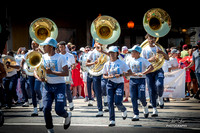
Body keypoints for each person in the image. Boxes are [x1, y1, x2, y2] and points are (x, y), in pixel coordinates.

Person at [35, 37, 71, 133]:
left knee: (59, 110)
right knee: (46, 109)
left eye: (45, 46)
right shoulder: (43, 57)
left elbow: (66, 73)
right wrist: (39, 78)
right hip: (47, 86)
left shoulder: (60, 57)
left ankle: (67, 115)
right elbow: (35, 70)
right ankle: (50, 128)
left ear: (51, 47)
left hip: (59, 86)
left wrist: (52, 72)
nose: (43, 47)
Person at [102, 46, 132, 127]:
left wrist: (121, 74)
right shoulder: (107, 63)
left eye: (113, 53)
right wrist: (108, 77)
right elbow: (104, 75)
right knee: (110, 102)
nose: (111, 54)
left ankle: (123, 109)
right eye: (110, 53)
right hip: (110, 84)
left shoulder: (121, 63)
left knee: (118, 102)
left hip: (119, 84)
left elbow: (130, 72)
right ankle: (112, 120)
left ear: (117, 54)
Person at [141, 34, 169, 116]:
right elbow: (142, 61)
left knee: (159, 85)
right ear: (147, 38)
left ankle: (160, 97)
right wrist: (150, 59)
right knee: (151, 90)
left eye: (154, 38)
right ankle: (154, 109)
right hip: (149, 71)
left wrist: (162, 52)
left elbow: (167, 58)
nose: (152, 39)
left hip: (158, 70)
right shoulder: (144, 49)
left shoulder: (159, 47)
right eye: (150, 38)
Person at [126, 45, 153, 121]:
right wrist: (130, 74)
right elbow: (125, 70)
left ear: (137, 52)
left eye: (133, 51)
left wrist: (144, 73)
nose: (131, 53)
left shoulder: (143, 60)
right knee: (133, 98)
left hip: (141, 80)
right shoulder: (130, 60)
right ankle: (136, 114)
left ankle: (144, 106)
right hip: (132, 80)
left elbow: (151, 67)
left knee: (141, 96)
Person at [21, 41, 43, 116]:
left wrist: (40, 50)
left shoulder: (40, 52)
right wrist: (22, 69)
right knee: (33, 91)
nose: (33, 45)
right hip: (30, 73)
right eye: (32, 44)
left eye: (34, 44)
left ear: (37, 44)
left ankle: (40, 100)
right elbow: (23, 61)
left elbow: (45, 57)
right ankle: (35, 110)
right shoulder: (28, 53)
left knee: (36, 89)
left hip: (38, 73)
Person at [86, 41, 105, 117]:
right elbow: (87, 64)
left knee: (104, 86)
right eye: (97, 42)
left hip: (104, 72)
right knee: (97, 91)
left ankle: (106, 101)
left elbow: (111, 56)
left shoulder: (105, 50)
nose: (99, 43)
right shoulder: (91, 52)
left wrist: (102, 51)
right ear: (94, 44)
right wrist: (93, 63)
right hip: (96, 73)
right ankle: (100, 110)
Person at [58, 41, 75, 111]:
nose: (61, 48)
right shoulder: (57, 56)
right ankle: (64, 105)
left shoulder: (70, 55)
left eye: (62, 47)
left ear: (65, 47)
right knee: (62, 90)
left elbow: (73, 64)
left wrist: (73, 66)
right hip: (60, 73)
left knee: (67, 89)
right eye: (60, 47)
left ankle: (70, 103)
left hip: (67, 73)